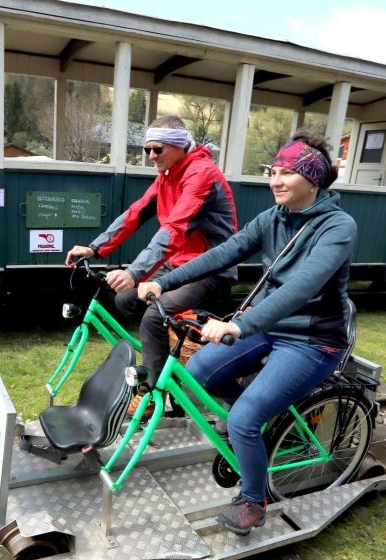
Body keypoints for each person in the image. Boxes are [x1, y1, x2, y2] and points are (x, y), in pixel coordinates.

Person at [137, 130, 356, 536]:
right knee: (197, 375)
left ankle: (254, 498)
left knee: (243, 417)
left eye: (287, 173)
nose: (275, 180)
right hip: (268, 326)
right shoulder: (273, 218)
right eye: (273, 171)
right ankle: (257, 429)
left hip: (311, 339)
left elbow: (301, 288)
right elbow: (223, 253)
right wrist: (165, 282)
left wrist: (238, 324)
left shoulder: (337, 227)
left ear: (313, 180)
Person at [65, 115, 237, 400]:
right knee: (123, 299)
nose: (151, 156)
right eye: (147, 150)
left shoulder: (201, 174)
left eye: (158, 149)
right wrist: (95, 247)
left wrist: (134, 272)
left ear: (179, 146)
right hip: (179, 264)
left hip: (209, 267)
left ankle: (151, 394)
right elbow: (135, 213)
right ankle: (173, 351)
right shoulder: (167, 176)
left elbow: (174, 228)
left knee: (154, 319)